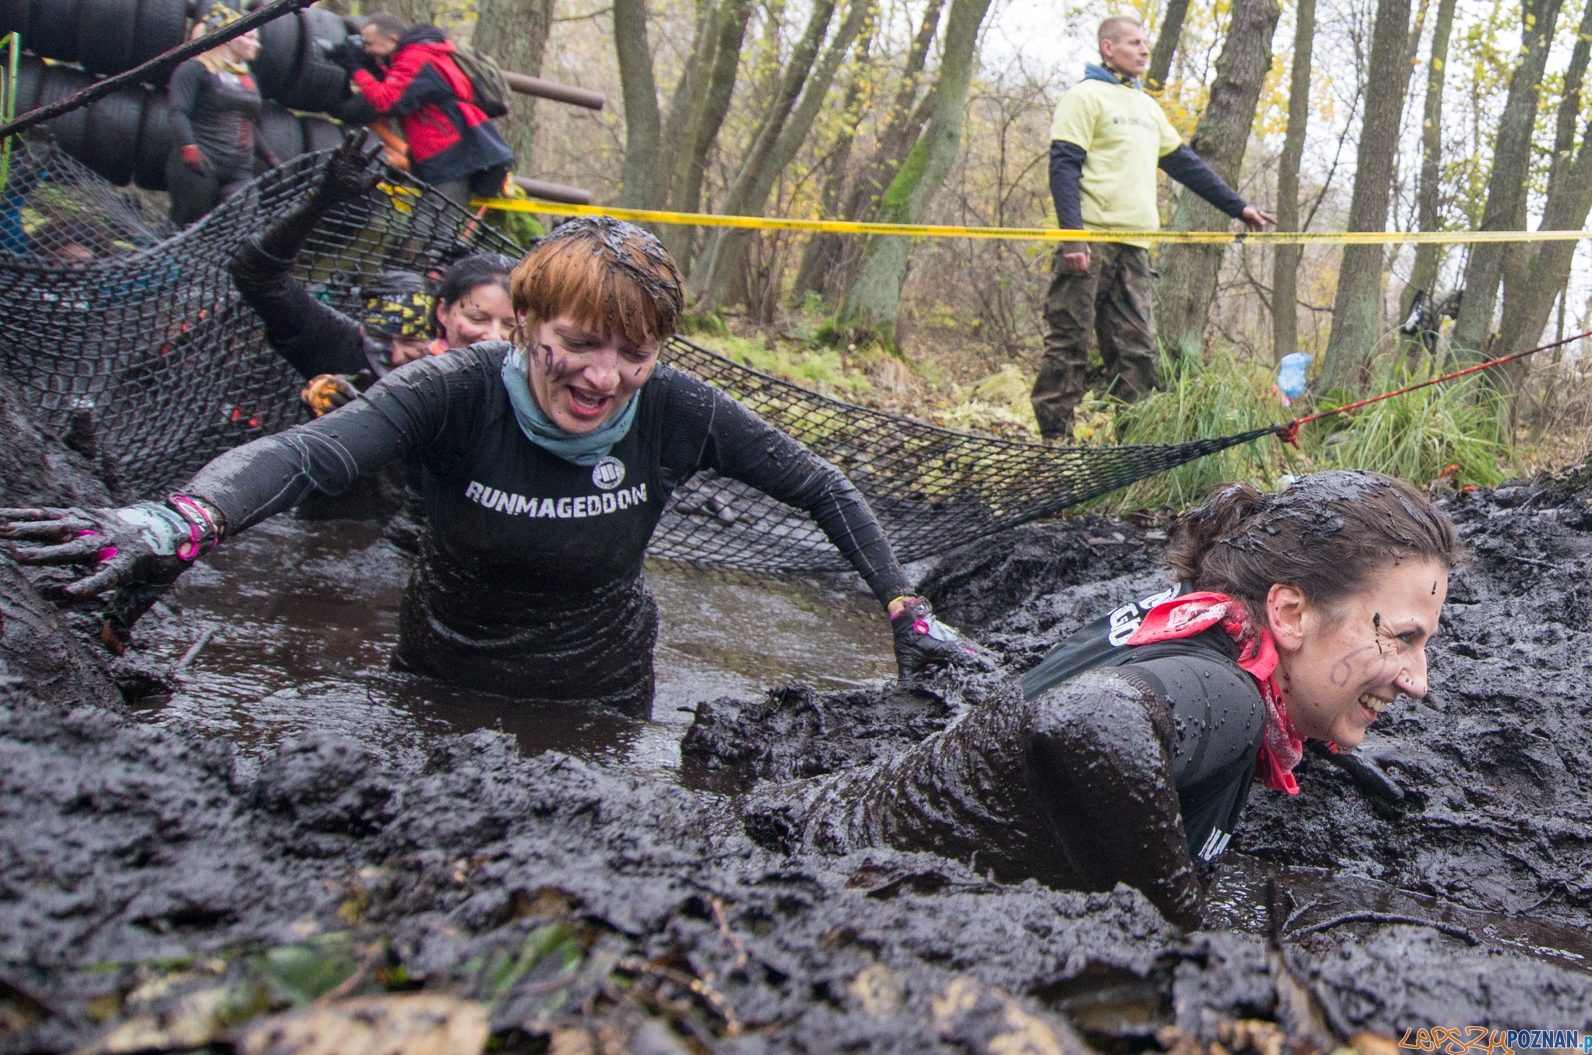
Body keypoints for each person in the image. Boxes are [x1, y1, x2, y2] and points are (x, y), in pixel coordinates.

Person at [3, 216, 978, 715]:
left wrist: (907, 609)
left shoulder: (678, 408)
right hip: (437, 672)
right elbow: (306, 455)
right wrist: (182, 519)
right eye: (580, 344)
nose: (604, 377)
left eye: (634, 354)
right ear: (524, 325)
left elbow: (822, 486)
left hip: (599, 691)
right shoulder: (452, 389)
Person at [743, 471, 1454, 930]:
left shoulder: (1194, 623)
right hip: (807, 895)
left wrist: (1322, 730)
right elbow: (1088, 721)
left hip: (798, 830)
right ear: (1290, 613)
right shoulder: (1231, 698)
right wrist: (1181, 936)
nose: (1418, 680)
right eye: (1401, 638)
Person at [1030, 16, 1275, 444]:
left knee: (1137, 352)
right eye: (1133, 43)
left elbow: (1186, 165)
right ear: (1108, 49)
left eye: (1145, 43)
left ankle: (1133, 450)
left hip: (1134, 249)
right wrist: (1073, 235)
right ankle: (1055, 444)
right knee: (1068, 344)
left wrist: (1239, 207)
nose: (1144, 50)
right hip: (1089, 243)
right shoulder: (1084, 97)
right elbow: (1063, 167)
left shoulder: (1146, 107)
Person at [228, 135, 515, 418]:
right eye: (381, 342)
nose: (395, 356)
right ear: (444, 314)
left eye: (413, 345)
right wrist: (320, 203)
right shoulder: (345, 350)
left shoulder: (505, 390)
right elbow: (258, 276)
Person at [344, 13, 514, 209]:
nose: (367, 49)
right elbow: (403, 88)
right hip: (448, 152)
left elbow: (387, 101)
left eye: (370, 43)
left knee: (434, 222)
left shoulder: (416, 57)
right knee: (430, 221)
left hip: (451, 156)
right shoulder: (420, 55)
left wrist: (357, 69)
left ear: (392, 39)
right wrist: (368, 69)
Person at [166, 5, 279, 227]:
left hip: (239, 171)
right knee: (190, 229)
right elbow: (178, 113)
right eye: (249, 38)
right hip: (201, 165)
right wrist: (189, 146)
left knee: (241, 226)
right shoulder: (193, 69)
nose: (256, 45)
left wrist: (269, 157)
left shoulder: (248, 78)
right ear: (228, 38)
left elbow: (248, 123)